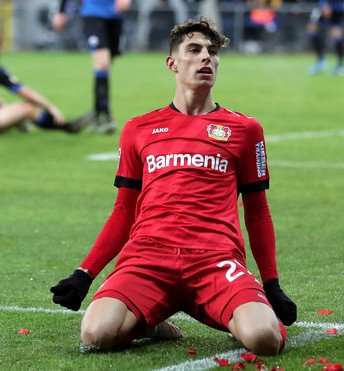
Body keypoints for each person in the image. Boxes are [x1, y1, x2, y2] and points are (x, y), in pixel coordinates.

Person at [50, 17, 297, 356]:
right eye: (194, 50)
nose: (205, 58)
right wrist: (84, 274)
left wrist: (272, 284)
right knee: (95, 334)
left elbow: (258, 212)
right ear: (173, 63)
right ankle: (152, 323)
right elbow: (124, 211)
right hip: (148, 258)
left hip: (215, 260)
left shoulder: (245, 129)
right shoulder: (138, 129)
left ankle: (230, 318)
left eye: (212, 52)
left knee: (265, 339)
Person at [52, 0, 132, 134]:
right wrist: (61, 12)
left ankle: (97, 113)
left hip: (116, 17)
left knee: (106, 67)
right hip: (93, 15)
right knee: (102, 64)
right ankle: (104, 116)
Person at [306, 0, 344, 76]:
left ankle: (340, 66)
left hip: (337, 7)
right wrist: (324, 4)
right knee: (312, 27)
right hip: (324, 6)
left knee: (337, 33)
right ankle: (321, 60)